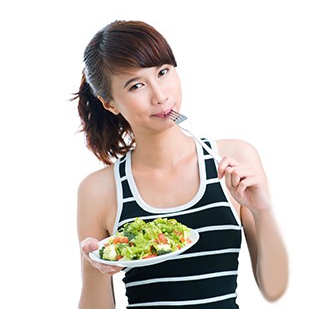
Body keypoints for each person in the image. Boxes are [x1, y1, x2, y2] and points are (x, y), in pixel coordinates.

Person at [74, 20, 288, 309]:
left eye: (163, 72)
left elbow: (274, 289)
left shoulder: (235, 159)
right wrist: (92, 264)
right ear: (109, 103)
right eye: (136, 85)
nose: (160, 95)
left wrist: (262, 212)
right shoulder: (99, 190)